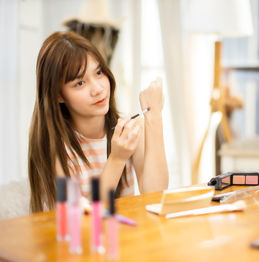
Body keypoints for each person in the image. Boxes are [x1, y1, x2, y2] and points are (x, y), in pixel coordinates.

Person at [28, 31, 168, 213]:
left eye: (99, 72)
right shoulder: (54, 146)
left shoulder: (130, 131)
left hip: (127, 237)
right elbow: (83, 218)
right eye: (80, 83)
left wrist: (154, 116)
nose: (98, 89)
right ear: (58, 95)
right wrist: (117, 158)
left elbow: (155, 194)